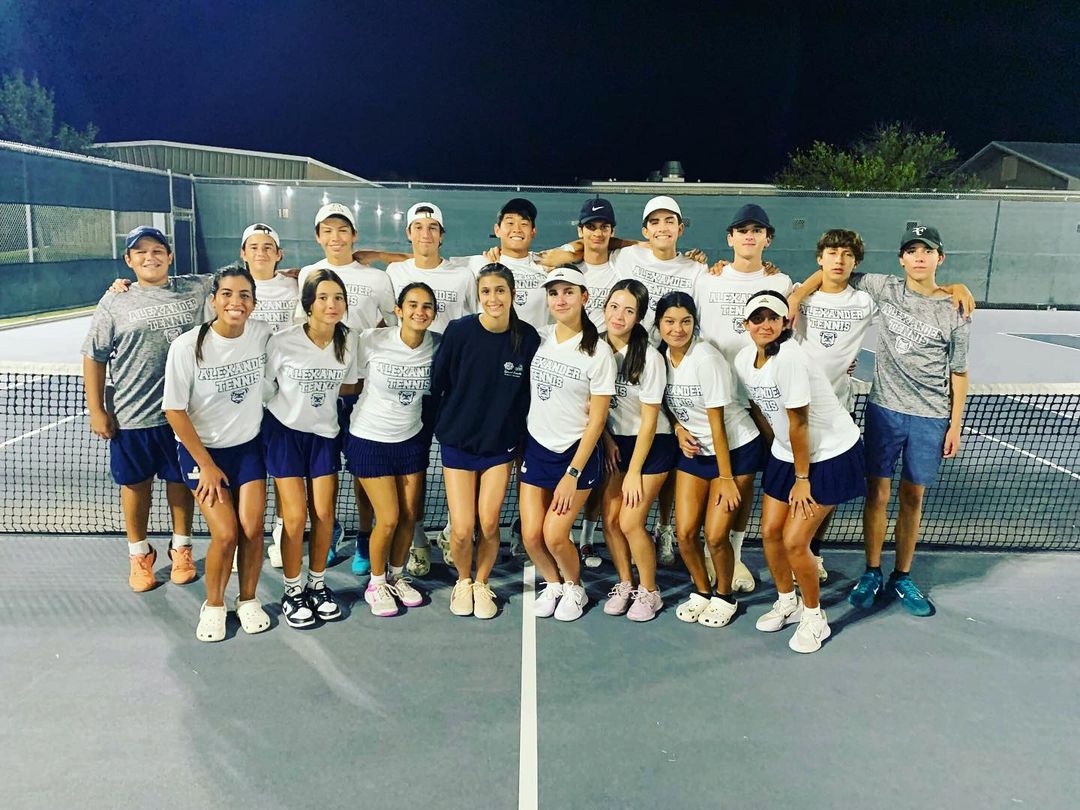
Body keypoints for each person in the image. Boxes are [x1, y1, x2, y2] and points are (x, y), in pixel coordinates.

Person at [791, 225, 971, 616]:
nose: (919, 257)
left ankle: (901, 576)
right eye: (912, 250)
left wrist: (955, 424)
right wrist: (797, 294)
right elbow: (831, 272)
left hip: (931, 416)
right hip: (884, 409)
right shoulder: (884, 287)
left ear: (940, 258)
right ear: (901, 259)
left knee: (913, 498)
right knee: (877, 495)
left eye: (928, 251)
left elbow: (959, 371)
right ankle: (871, 571)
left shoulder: (956, 309)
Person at [735, 290, 867, 653]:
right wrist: (780, 453)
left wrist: (802, 479)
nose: (765, 325)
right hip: (787, 451)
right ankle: (786, 600)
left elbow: (799, 424)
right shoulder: (745, 360)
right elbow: (761, 408)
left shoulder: (790, 358)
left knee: (795, 541)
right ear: (746, 324)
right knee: (770, 533)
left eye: (772, 318)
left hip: (829, 454)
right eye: (757, 319)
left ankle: (814, 616)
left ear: (783, 323)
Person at [82, 226, 211, 592]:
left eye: (157, 250)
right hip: (133, 414)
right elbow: (94, 356)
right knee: (135, 486)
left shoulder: (195, 287)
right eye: (140, 252)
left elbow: (250, 269)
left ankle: (181, 548)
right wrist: (96, 409)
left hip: (184, 415)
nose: (150, 257)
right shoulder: (115, 301)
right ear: (128, 260)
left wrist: (295, 274)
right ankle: (140, 555)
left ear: (170, 256)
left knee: (180, 483)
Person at [163, 266, 272, 642]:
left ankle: (248, 599)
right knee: (225, 535)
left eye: (244, 295)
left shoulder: (262, 335)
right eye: (227, 294)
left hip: (249, 449)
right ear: (213, 300)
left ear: (254, 303)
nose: (235, 302)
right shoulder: (187, 347)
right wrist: (206, 465)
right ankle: (213, 605)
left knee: (253, 528)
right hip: (203, 455)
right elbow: (174, 410)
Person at [429, 263, 541, 618]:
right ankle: (462, 582)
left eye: (500, 291)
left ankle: (482, 582)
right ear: (480, 295)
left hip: (499, 446)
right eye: (487, 291)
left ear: (512, 295)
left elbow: (528, 395)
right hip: (458, 443)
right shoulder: (459, 332)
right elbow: (439, 381)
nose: (493, 298)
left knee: (489, 523)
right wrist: (445, 425)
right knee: (462, 529)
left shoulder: (527, 338)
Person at [693, 203, 793, 593]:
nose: (749, 236)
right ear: (730, 239)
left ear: (768, 239)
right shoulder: (706, 279)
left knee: (747, 483)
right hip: (714, 400)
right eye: (742, 230)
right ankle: (704, 546)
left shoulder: (781, 283)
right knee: (706, 481)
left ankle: (731, 555)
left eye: (758, 231)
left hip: (761, 403)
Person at [298, 203, 397, 575]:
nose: (335, 237)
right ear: (318, 236)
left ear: (354, 236)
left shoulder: (376, 278)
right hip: (319, 395)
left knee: (362, 471)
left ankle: (363, 535)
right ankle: (329, 529)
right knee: (323, 471)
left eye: (342, 230)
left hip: (362, 393)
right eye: (327, 230)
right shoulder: (307, 274)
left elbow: (390, 324)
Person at [657, 292, 763, 629]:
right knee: (686, 534)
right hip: (696, 451)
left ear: (694, 324)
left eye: (685, 321)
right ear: (659, 324)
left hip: (734, 451)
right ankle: (702, 591)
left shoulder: (706, 359)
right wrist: (676, 428)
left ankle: (724, 596)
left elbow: (717, 423)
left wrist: (727, 477)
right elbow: (664, 401)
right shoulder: (659, 357)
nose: (678, 329)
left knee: (715, 535)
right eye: (670, 322)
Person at [384, 202, 477, 577]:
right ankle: (418, 538)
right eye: (419, 227)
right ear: (409, 233)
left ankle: (455, 533)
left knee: (458, 461)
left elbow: (474, 320)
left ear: (441, 235)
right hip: (409, 387)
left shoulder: (463, 274)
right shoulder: (394, 271)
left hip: (454, 387)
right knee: (415, 468)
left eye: (433, 227)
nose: (426, 233)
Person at [521, 266, 616, 622]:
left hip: (575, 456)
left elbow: (598, 419)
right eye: (554, 293)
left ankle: (575, 588)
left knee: (555, 534)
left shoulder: (598, 353)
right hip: (536, 448)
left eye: (568, 292)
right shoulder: (539, 339)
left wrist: (573, 472)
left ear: (584, 297)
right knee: (531, 537)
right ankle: (554, 584)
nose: (560, 299)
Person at [262, 268, 356, 628]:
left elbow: (348, 386)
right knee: (296, 517)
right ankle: (293, 590)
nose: (332, 305)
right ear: (308, 304)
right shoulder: (282, 341)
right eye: (323, 298)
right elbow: (266, 387)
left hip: (325, 436)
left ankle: (317, 585)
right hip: (284, 434)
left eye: (338, 298)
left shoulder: (348, 342)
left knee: (325, 516)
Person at [345, 283, 439, 617]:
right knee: (387, 518)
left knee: (409, 517)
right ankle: (376, 582)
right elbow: (349, 380)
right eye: (412, 305)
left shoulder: (436, 346)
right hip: (369, 439)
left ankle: (397, 577)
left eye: (427, 306)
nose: (419, 312)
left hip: (411, 440)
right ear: (397, 310)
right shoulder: (370, 339)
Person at [792, 229, 876, 581]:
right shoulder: (801, 296)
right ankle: (793, 548)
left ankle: (813, 552)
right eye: (832, 253)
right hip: (794, 411)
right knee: (794, 486)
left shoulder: (864, 303)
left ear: (855, 263)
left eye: (846, 255)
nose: (838, 260)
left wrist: (953, 288)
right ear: (820, 258)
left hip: (838, 413)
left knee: (825, 492)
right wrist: (798, 296)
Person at [598, 280, 676, 621]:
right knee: (610, 521)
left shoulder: (650, 358)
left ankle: (650, 592)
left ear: (639, 317)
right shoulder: (593, 348)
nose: (619, 315)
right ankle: (626, 583)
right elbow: (591, 404)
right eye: (615, 306)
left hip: (652, 445)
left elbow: (649, 421)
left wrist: (633, 471)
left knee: (630, 522)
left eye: (629, 310)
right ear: (605, 307)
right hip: (615, 444)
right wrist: (607, 440)